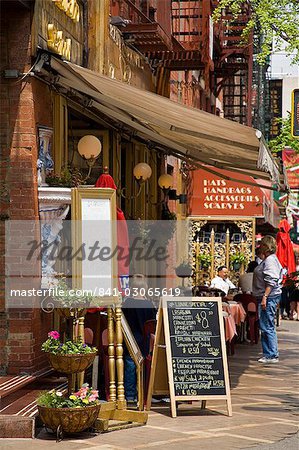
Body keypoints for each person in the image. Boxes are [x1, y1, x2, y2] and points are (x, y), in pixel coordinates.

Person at [122, 275, 156, 402]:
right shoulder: (149, 304)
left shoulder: (127, 303)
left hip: (130, 340)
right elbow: (152, 324)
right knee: (143, 367)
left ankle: (130, 394)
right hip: (145, 341)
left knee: (130, 366)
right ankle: (143, 393)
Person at [252, 235, 283, 364]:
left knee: (267, 326)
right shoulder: (271, 260)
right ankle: (269, 353)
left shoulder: (270, 261)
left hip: (269, 297)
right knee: (266, 325)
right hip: (268, 296)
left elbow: (271, 280)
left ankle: (271, 354)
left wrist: (265, 296)